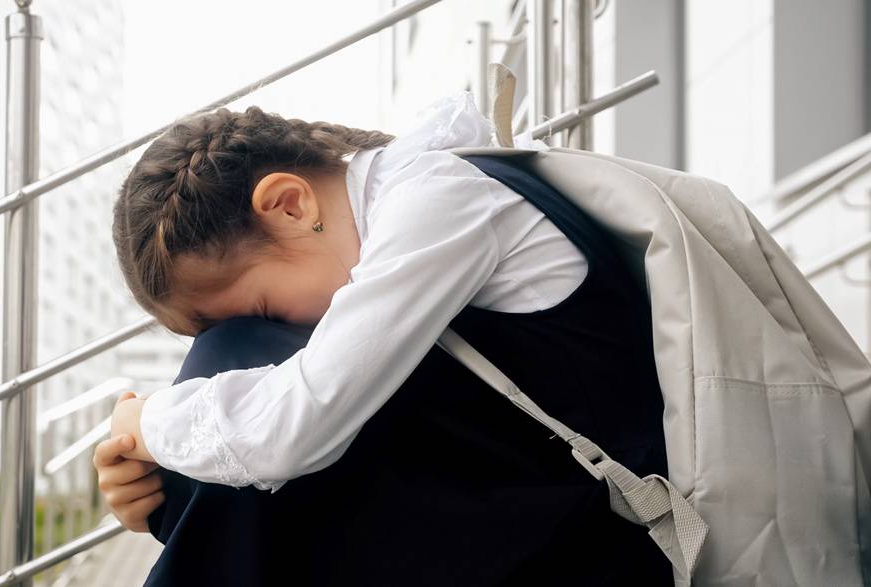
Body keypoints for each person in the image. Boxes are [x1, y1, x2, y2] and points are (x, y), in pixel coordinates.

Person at [94, 91, 673, 585]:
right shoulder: (415, 200)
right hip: (531, 507)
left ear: (290, 205)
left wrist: (143, 427)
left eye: (267, 308)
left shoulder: (441, 198)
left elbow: (294, 429)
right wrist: (159, 481)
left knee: (234, 359)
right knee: (229, 401)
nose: (281, 327)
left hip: (610, 540)